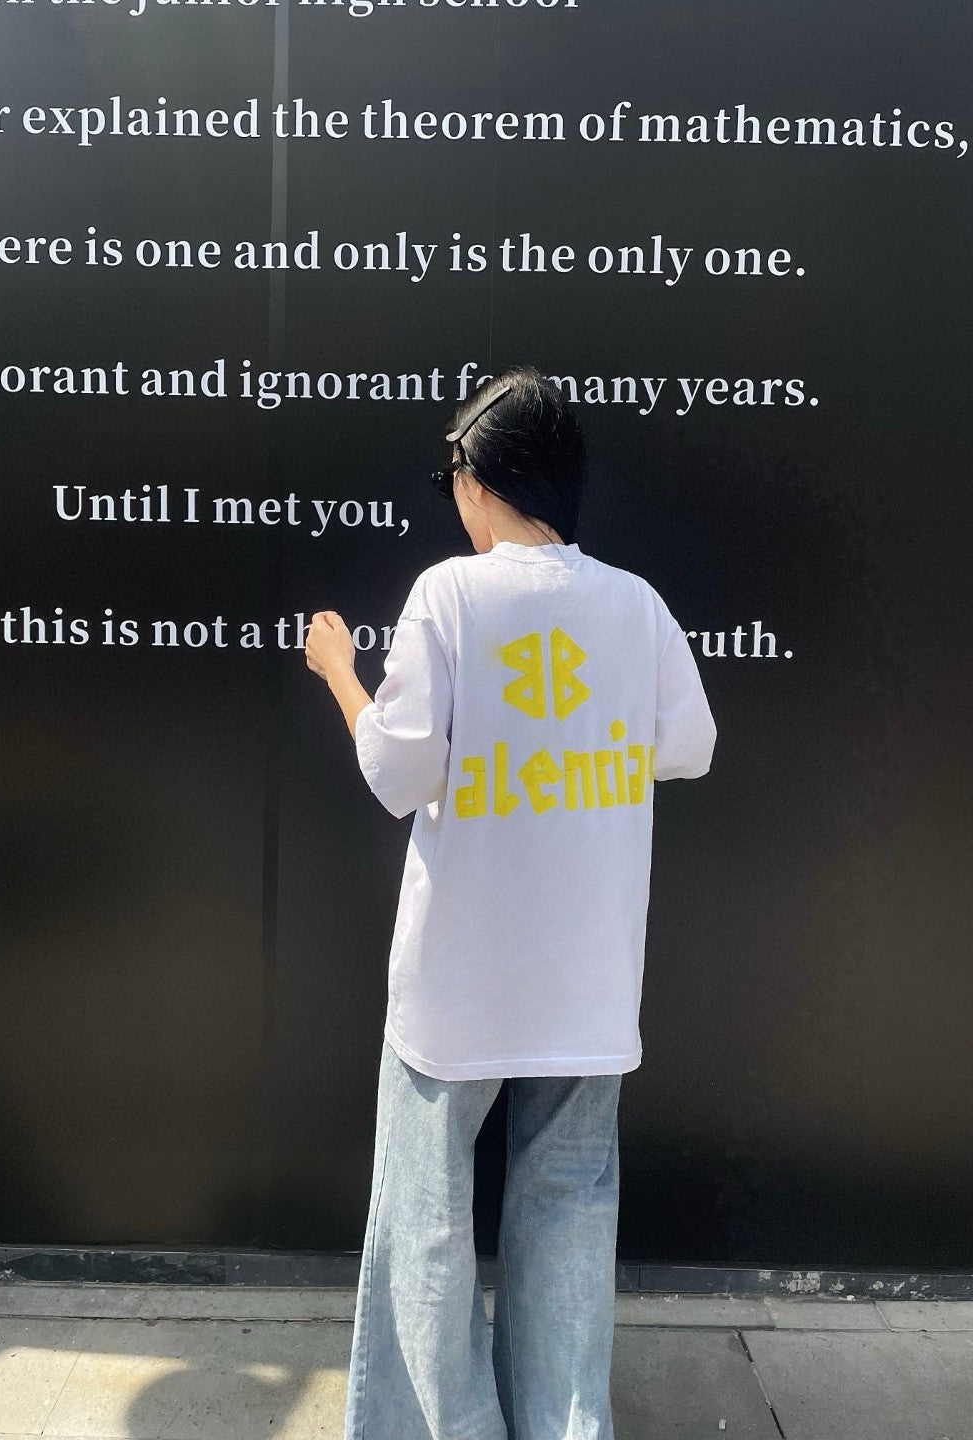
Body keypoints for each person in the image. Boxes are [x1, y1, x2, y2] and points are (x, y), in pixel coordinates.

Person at [304, 363, 717, 1440]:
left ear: (485, 480)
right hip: (586, 981)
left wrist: (341, 674)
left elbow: (396, 774)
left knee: (428, 1219)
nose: (453, 493)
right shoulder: (635, 606)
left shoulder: (449, 594)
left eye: (455, 471)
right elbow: (691, 745)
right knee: (571, 1210)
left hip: (460, 983)